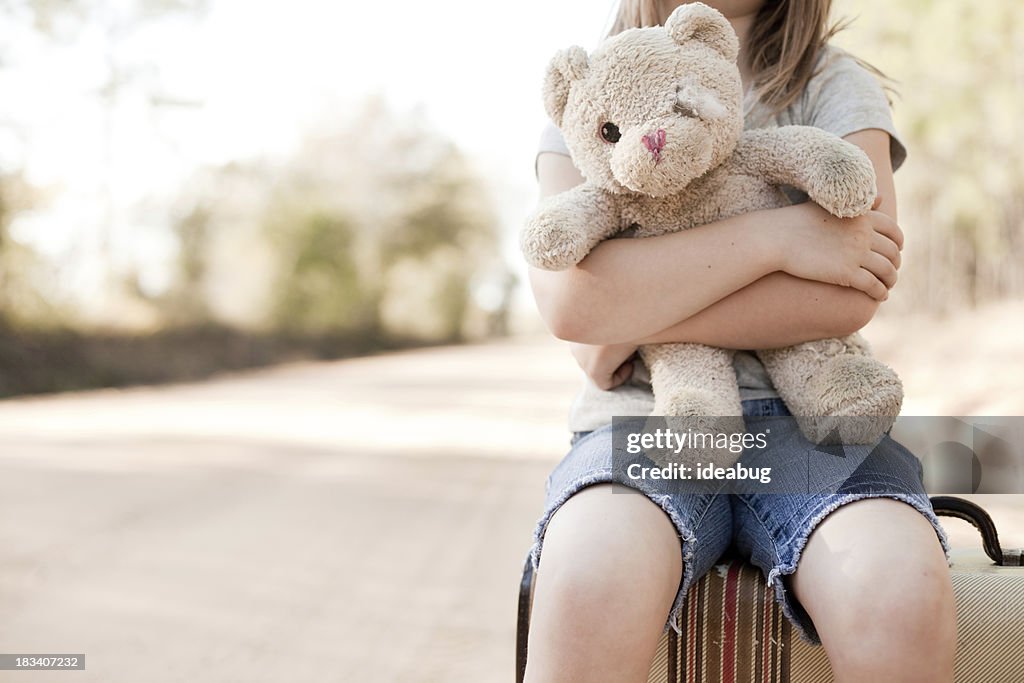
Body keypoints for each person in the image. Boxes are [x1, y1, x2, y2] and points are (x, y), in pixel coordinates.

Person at [524, 1, 957, 681]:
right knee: (588, 583)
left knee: (896, 590)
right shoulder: (591, 90)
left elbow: (854, 286)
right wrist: (779, 239)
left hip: (811, 424)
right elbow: (575, 306)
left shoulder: (832, 84)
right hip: (644, 425)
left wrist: (633, 309)